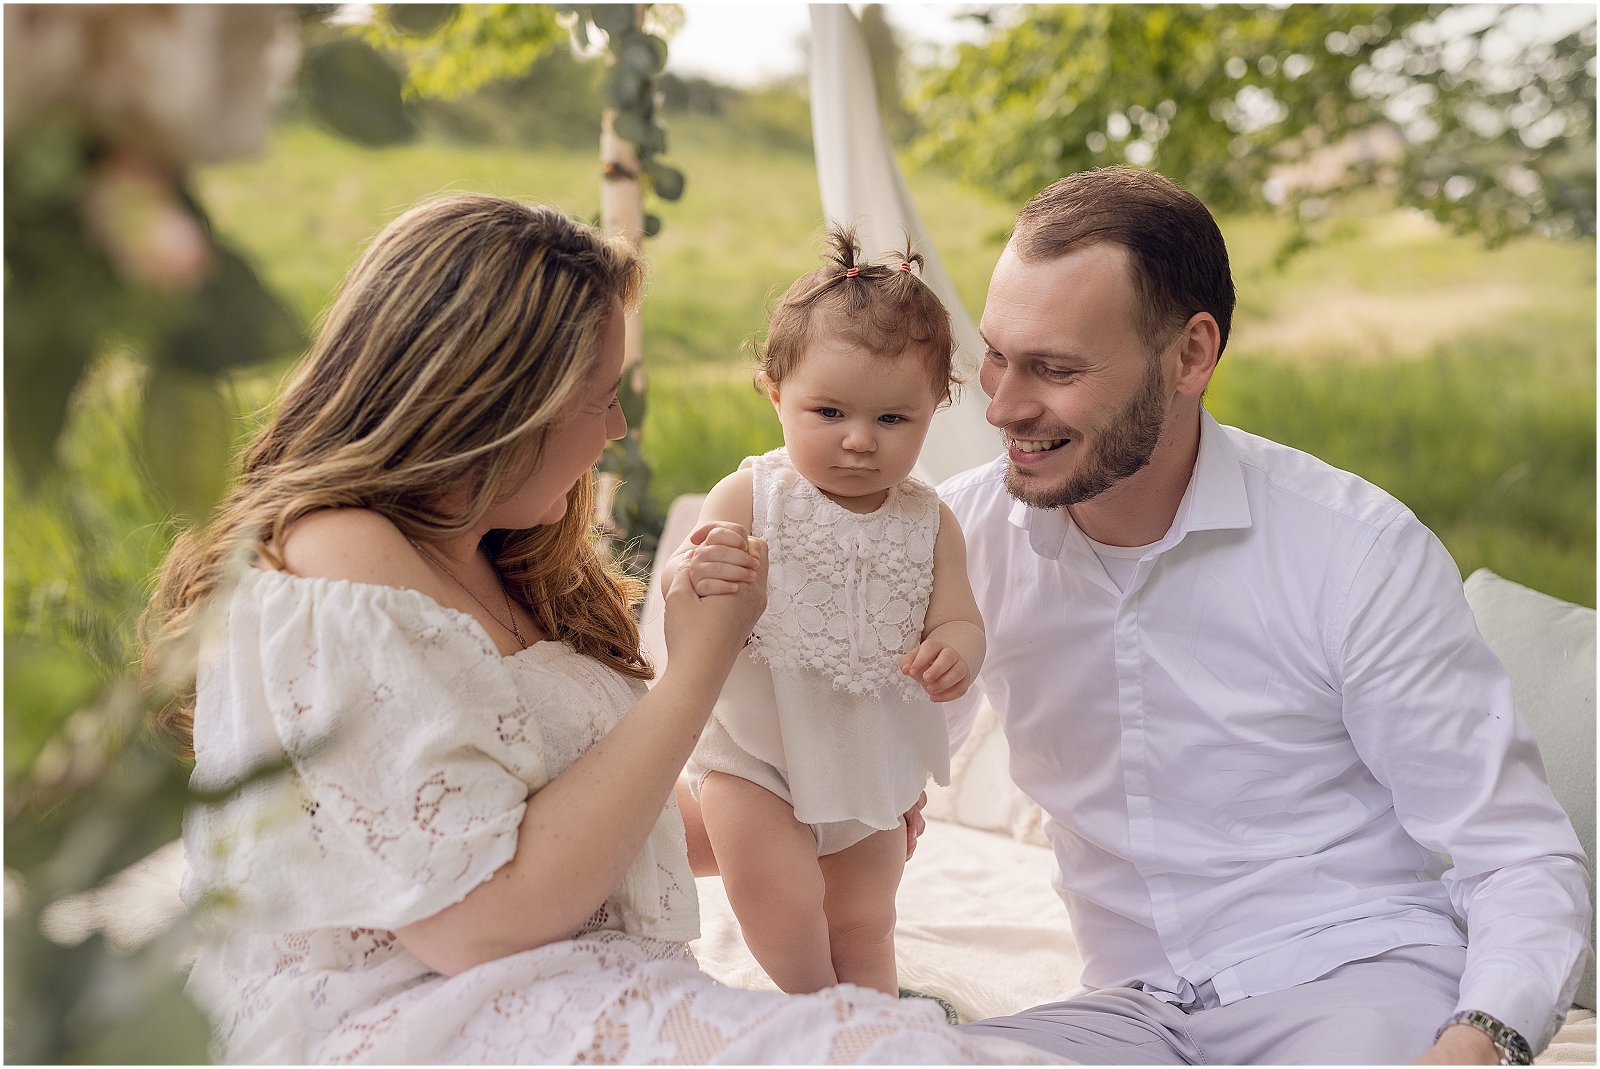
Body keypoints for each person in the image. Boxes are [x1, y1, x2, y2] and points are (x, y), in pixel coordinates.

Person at [143, 194, 1054, 1065]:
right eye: (600, 395)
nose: (616, 428)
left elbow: (578, 820)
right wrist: (699, 664)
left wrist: (811, 796)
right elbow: (479, 915)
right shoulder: (340, 552)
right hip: (422, 1011)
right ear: (498, 402)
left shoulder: (498, 554)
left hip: (560, 983)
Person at [929, 166, 1591, 1064]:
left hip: (1356, 980)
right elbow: (845, 767)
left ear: (1191, 356)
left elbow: (1516, 855)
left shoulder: (1357, 552)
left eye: (1055, 369)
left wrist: (1481, 1040)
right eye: (997, 355)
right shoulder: (957, 538)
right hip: (1133, 1013)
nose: (1003, 404)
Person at [660, 227, 983, 998]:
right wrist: (696, 568)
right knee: (783, 899)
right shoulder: (751, 496)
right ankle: (809, 1012)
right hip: (757, 762)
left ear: (934, 407)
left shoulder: (931, 521)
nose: (860, 441)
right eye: (829, 411)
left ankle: (871, 1023)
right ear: (776, 392)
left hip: (868, 765)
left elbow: (960, 618)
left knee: (866, 921)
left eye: (893, 420)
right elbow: (689, 602)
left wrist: (955, 651)